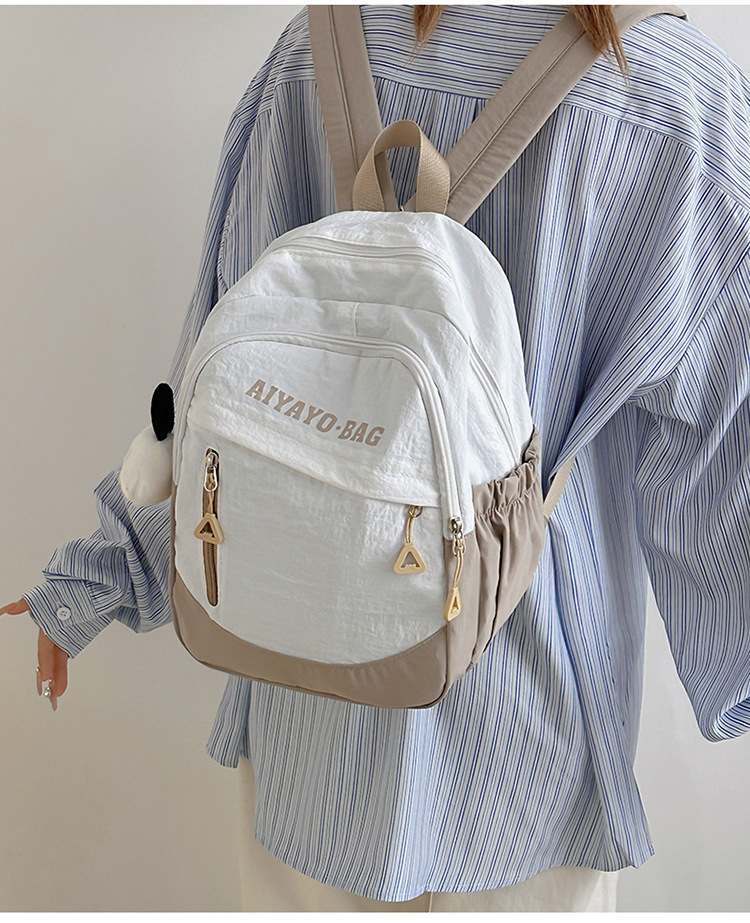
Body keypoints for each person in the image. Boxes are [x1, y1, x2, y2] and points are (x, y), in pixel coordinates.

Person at [5, 3, 750, 912]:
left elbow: (212, 391)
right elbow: (727, 448)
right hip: (524, 741)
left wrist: (104, 572)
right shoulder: (671, 93)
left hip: (306, 709)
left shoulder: (317, 48)